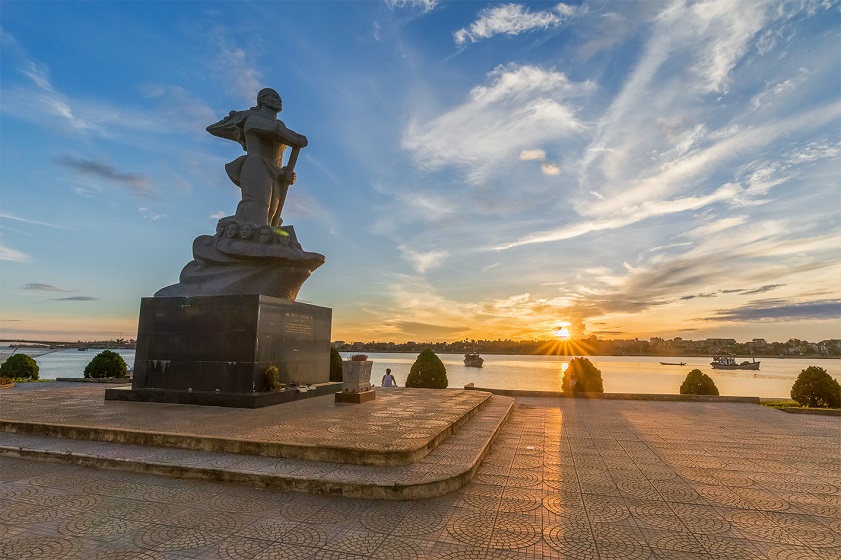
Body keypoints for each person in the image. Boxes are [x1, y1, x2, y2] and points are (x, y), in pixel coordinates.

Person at [207, 88, 308, 228]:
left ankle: (264, 243)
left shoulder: (281, 126)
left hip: (276, 173)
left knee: (272, 215)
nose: (279, 100)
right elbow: (275, 131)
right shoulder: (253, 120)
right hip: (256, 166)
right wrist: (297, 139)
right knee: (259, 207)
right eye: (275, 96)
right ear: (263, 99)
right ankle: (228, 229)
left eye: (280, 98)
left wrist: (286, 173)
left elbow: (295, 140)